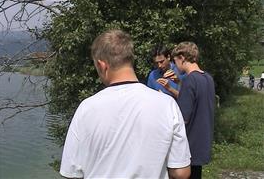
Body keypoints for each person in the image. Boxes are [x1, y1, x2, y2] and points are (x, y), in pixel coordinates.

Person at [60, 29, 191, 179]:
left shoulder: (86, 108)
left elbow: (70, 172)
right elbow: (181, 173)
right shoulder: (168, 105)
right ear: (130, 60)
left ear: (102, 65)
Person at [172, 42, 215, 179]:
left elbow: (183, 118)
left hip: (189, 145)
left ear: (182, 57)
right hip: (203, 141)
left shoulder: (190, 80)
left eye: (175, 60)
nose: (175, 65)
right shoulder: (208, 78)